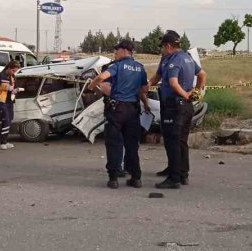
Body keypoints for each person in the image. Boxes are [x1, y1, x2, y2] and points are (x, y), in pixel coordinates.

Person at [88, 40, 150, 189]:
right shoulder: (140, 68)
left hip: (117, 110)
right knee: (132, 145)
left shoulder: (116, 65)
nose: (115, 53)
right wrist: (146, 104)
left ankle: (114, 178)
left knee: (114, 143)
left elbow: (101, 77)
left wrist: (91, 86)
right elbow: (144, 89)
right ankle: (136, 178)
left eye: (117, 50)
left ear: (124, 50)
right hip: (133, 110)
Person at [149, 30, 206, 189]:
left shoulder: (174, 60)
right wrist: (196, 92)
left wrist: (186, 95)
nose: (162, 50)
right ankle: (181, 172)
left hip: (175, 105)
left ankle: (174, 178)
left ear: (168, 46)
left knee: (172, 141)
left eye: (162, 47)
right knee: (180, 140)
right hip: (185, 107)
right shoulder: (187, 58)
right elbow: (202, 75)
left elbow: (173, 83)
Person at [0, 61, 19, 150]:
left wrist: (14, 90)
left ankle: (3, 140)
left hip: (9, 101)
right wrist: (5, 87)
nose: (13, 72)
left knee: (9, 120)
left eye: (15, 71)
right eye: (13, 70)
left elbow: (13, 87)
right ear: (8, 68)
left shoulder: (13, 77)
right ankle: (3, 142)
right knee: (6, 120)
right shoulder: (0, 75)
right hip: (1, 101)